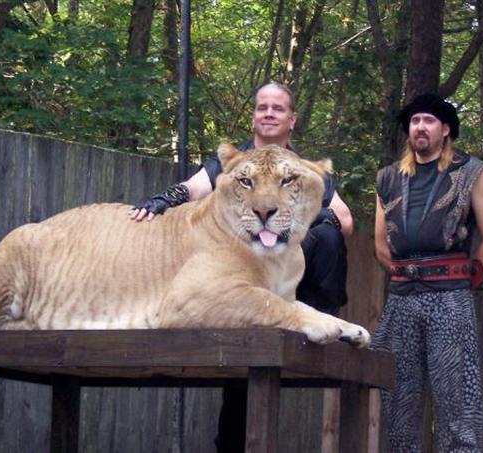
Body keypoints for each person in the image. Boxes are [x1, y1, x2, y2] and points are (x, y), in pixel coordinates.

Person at [130, 82, 352, 452]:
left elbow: (344, 221)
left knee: (328, 231)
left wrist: (292, 218)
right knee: (242, 381)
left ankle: (318, 312)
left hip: (285, 271)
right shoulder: (232, 162)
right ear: (253, 116)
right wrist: (161, 200)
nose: (268, 113)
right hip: (239, 277)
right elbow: (193, 187)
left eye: (277, 108)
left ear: (292, 120)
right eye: (262, 107)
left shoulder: (303, 171)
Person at [372, 93, 483, 452]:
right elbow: (382, 246)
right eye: (415, 121)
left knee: (458, 408)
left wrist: (461, 282)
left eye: (428, 121)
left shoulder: (470, 172)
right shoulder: (387, 179)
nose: (420, 127)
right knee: (398, 409)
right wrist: (410, 275)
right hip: (401, 300)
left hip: (450, 298)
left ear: (445, 129)